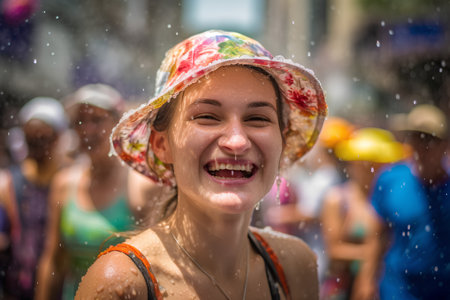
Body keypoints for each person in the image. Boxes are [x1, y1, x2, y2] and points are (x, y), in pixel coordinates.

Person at [76, 30, 328, 299]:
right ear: (162, 145)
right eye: (207, 116)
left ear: (282, 138)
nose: (237, 141)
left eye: (257, 118)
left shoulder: (295, 266)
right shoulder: (123, 282)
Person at [35, 84, 137, 300]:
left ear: (119, 125)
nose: (87, 129)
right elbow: (53, 260)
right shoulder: (64, 183)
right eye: (80, 121)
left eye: (97, 120)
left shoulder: (139, 185)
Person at [362, 104, 450, 300]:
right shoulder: (390, 180)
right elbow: (377, 235)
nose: (421, 146)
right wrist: (366, 281)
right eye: (415, 138)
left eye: (429, 139)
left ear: (445, 145)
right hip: (398, 287)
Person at [320, 127, 406, 300]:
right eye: (365, 164)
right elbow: (333, 250)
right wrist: (372, 254)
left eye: (378, 165)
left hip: (388, 286)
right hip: (344, 287)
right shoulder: (337, 199)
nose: (372, 170)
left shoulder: (391, 201)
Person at [0, 97, 68, 299]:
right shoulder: (8, 184)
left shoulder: (68, 183)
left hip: (59, 288)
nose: (38, 141)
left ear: (58, 137)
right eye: (32, 135)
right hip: (14, 288)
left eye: (44, 135)